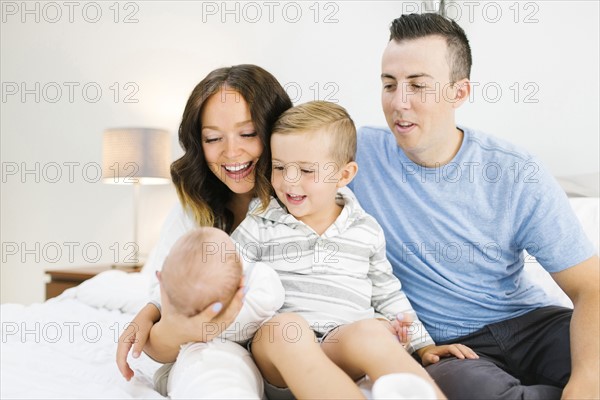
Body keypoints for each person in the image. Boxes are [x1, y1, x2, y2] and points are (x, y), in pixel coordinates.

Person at [348, 13, 599, 399]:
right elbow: (280, 157)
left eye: (418, 85)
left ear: (459, 93)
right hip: (454, 349)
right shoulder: (356, 156)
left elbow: (590, 288)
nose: (399, 102)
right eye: (389, 84)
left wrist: (585, 386)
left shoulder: (515, 171)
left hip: (532, 323)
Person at [232, 101, 478, 399]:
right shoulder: (260, 223)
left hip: (340, 348)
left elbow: (387, 293)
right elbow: (225, 277)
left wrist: (423, 345)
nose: (290, 181)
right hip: (281, 360)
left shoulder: (365, 229)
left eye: (307, 170)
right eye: (280, 167)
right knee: (287, 328)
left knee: (373, 331)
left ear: (345, 175)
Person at [115, 64, 293, 399]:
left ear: (275, 130)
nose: (231, 152)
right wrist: (157, 315)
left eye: (248, 133)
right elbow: (162, 346)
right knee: (211, 360)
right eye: (213, 138)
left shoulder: (306, 197)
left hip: (287, 357)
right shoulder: (191, 211)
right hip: (209, 354)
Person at [153, 226, 285, 397]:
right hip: (251, 366)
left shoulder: (180, 310)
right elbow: (275, 295)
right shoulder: (257, 299)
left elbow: (164, 300)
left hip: (193, 361)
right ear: (240, 282)